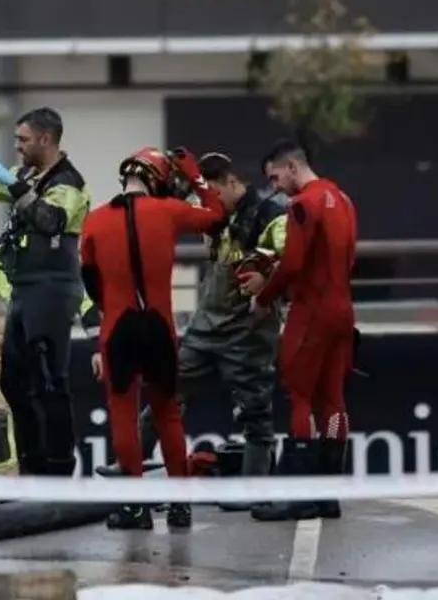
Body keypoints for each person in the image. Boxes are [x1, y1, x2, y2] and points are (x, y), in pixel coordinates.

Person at [101, 152, 288, 509]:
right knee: (164, 394)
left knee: (255, 413)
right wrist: (175, 176)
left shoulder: (270, 216)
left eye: (214, 191)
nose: (208, 200)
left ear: (233, 183)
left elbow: (289, 255)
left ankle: (253, 492)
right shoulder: (209, 211)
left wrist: (267, 276)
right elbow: (156, 208)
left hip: (249, 332)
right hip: (205, 327)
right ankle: (129, 469)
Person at [81, 147, 224, 530]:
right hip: (160, 327)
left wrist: (110, 308)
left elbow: (90, 281)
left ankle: (134, 509)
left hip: (118, 327)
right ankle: (180, 507)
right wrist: (195, 175)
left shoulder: (93, 221)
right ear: (158, 179)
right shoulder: (168, 211)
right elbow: (216, 215)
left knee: (125, 416)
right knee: (168, 414)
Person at [0, 108, 91, 477]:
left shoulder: (68, 182)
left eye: (23, 140)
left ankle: (59, 468)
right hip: (23, 290)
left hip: (54, 288)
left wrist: (16, 187)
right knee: (13, 382)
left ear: (46, 139)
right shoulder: (28, 175)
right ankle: (32, 465)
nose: (17, 147)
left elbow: (50, 220)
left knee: (51, 382)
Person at [246, 140, 358, 523]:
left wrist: (263, 298)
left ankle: (297, 495)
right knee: (333, 401)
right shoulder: (342, 199)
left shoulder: (303, 206)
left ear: (292, 167)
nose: (275, 186)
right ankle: (328, 495)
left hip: (312, 311)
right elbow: (350, 257)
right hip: (343, 310)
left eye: (275, 177)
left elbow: (292, 265)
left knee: (299, 395)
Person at [0, 237, 101, 476]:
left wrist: (98, 345)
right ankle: (9, 486)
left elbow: (84, 300)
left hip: (46, 338)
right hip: (5, 341)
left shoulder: (61, 252)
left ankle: (54, 476)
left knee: (50, 407)